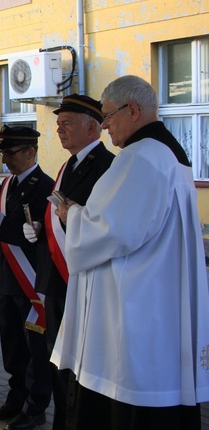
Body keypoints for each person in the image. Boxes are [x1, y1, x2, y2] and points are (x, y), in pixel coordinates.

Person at [52, 75, 209, 429]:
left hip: (133, 307)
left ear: (133, 110)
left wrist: (71, 214)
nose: (104, 126)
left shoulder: (140, 158)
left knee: (125, 402)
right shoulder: (169, 154)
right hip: (158, 298)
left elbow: (111, 231)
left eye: (107, 117)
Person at [22, 94, 114, 429]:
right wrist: (40, 227)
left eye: (68, 124)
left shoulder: (107, 166)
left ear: (93, 127)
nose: (60, 131)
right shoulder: (67, 165)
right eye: (58, 125)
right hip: (56, 278)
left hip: (83, 279)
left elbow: (100, 222)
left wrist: (68, 216)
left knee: (81, 362)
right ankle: (63, 420)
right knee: (57, 358)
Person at [0, 125, 54, 430]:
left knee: (35, 350)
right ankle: (16, 397)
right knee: (12, 346)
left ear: (30, 152)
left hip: (30, 283)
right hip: (6, 278)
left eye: (10, 153)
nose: (5, 160)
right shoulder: (7, 184)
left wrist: (1, 222)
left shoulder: (45, 187)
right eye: (3, 152)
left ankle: (35, 406)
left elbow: (37, 238)